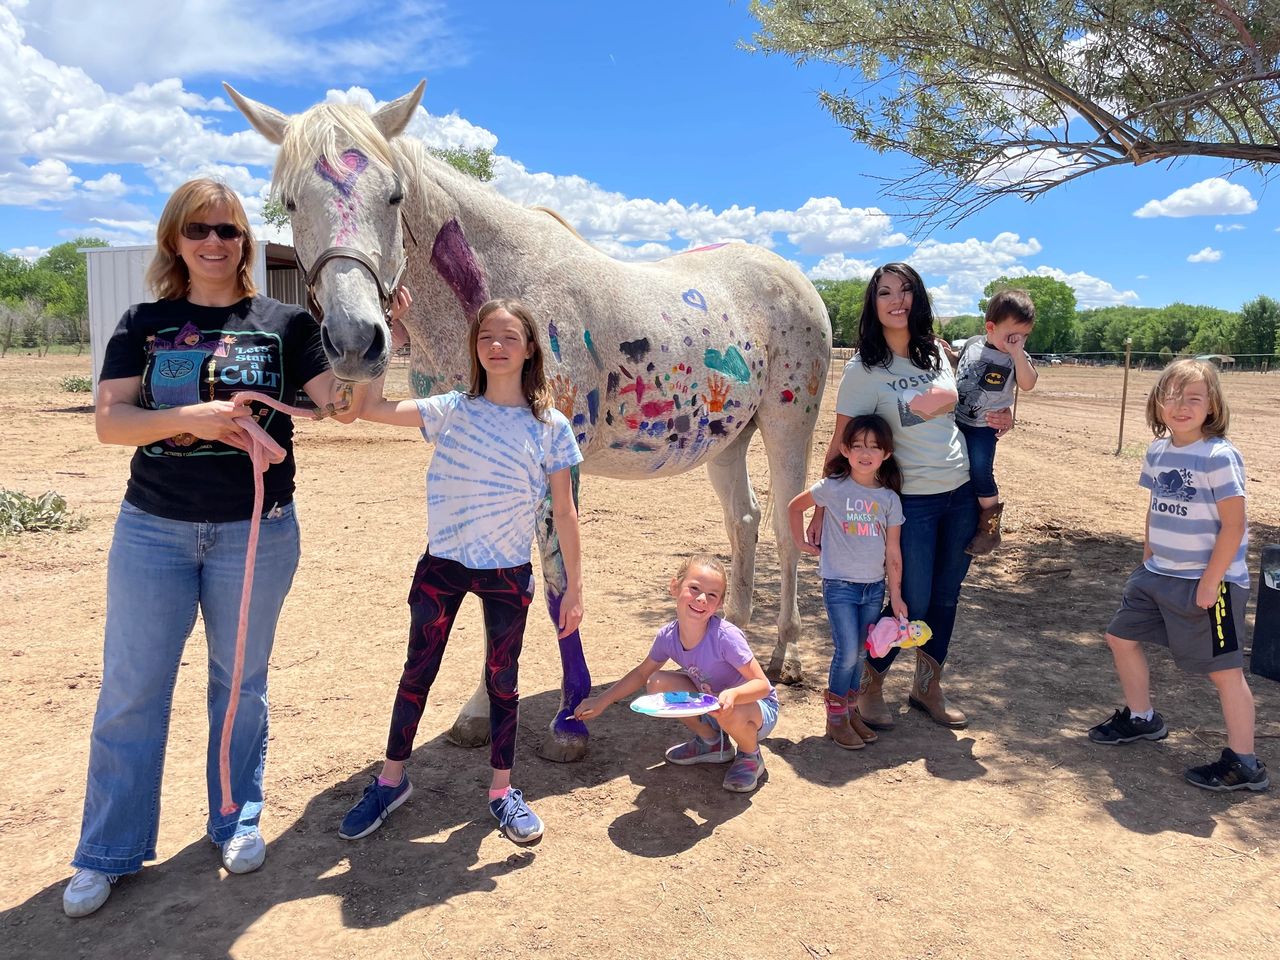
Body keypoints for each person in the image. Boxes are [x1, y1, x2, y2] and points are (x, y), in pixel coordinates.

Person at [64, 179, 362, 919]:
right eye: (199, 228)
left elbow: (340, 406)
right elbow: (112, 422)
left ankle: (235, 818)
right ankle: (107, 849)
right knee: (132, 691)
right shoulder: (145, 321)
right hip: (152, 530)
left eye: (228, 230)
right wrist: (192, 416)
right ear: (176, 239)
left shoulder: (284, 322)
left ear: (245, 242)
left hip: (257, 532)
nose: (214, 241)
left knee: (240, 687)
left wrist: (372, 341)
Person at [339, 296, 584, 844]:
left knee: (503, 683)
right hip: (442, 568)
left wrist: (572, 590)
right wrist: (386, 331)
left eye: (509, 338)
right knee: (416, 674)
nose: (496, 347)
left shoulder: (550, 427)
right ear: (475, 348)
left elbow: (564, 514)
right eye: (486, 338)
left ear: (529, 350)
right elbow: (366, 407)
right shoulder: (450, 408)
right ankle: (390, 781)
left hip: (507, 574)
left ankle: (501, 792)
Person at [809, 263, 1013, 731]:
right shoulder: (864, 370)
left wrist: (1004, 420)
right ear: (873, 304)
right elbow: (842, 440)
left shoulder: (938, 355)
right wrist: (823, 506)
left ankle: (927, 687)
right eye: (885, 293)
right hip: (911, 502)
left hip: (959, 492)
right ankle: (870, 682)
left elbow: (965, 416)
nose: (897, 300)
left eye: (905, 291)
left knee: (946, 596)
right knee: (912, 599)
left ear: (918, 299)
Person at [1087, 359, 1267, 792]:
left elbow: (1235, 525)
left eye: (1194, 398)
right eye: (1172, 395)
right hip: (1156, 575)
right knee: (1120, 637)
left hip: (1210, 583)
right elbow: (1154, 508)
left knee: (1224, 671)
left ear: (1211, 406)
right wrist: (1147, 557)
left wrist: (1211, 581)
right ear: (1158, 402)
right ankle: (1142, 718)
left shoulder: (1219, 455)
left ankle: (1244, 762)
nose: (1181, 405)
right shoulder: (1158, 451)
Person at [573, 555, 778, 793]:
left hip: (755, 708)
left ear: (720, 603)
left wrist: (733, 695)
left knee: (732, 710)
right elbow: (642, 674)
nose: (702, 598)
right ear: (674, 587)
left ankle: (750, 755)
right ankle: (712, 743)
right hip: (714, 705)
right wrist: (602, 700)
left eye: (712, 595)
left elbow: (762, 686)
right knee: (657, 683)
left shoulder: (726, 637)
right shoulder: (668, 637)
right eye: (694, 589)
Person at [788, 414, 905, 749]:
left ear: (886, 453)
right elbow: (794, 508)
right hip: (839, 584)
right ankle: (836, 717)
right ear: (845, 449)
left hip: (873, 588)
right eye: (857, 446)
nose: (864, 453)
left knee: (862, 652)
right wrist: (800, 542)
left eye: (873, 446)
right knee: (846, 651)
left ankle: (851, 712)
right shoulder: (833, 488)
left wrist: (895, 596)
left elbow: (893, 552)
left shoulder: (889, 499)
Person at [952, 289, 1038, 555]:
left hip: (983, 427)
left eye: (1024, 336)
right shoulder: (973, 343)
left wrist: (1016, 352)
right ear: (990, 327)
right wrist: (948, 354)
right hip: (956, 420)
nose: (1018, 341)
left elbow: (1028, 383)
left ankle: (989, 530)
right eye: (1013, 336)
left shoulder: (1016, 357)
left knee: (980, 471)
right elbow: (960, 367)